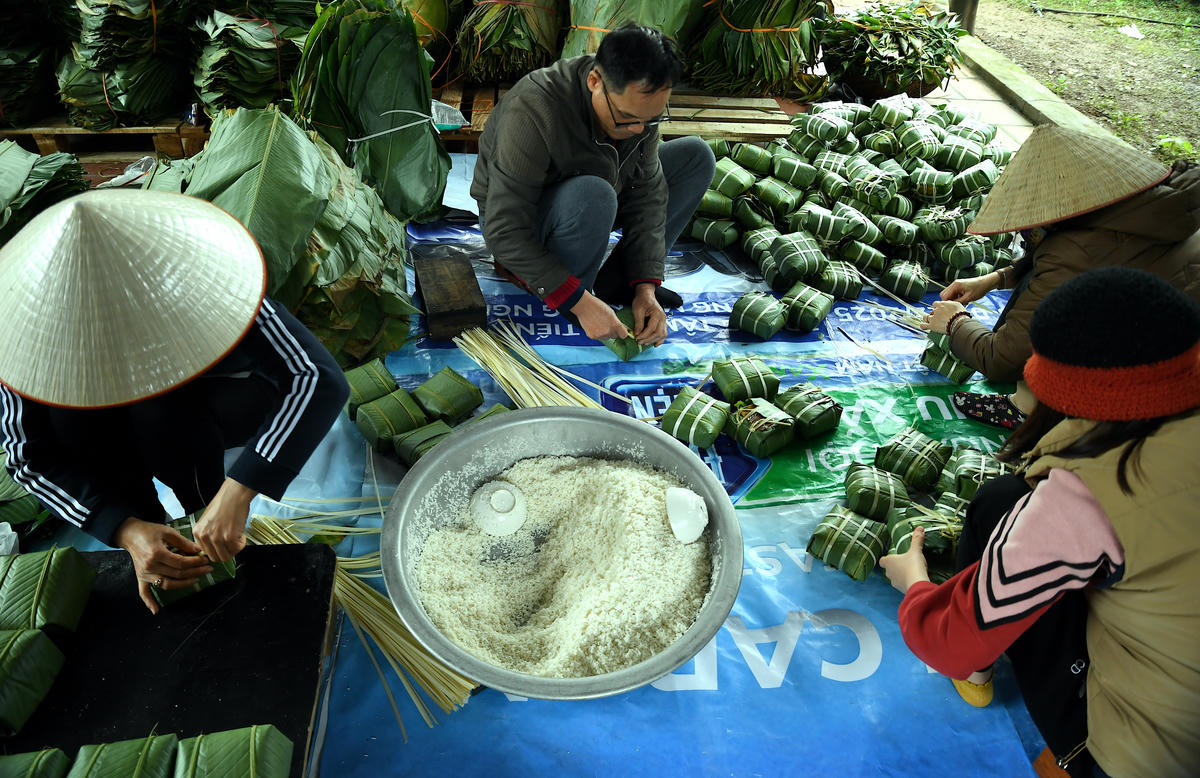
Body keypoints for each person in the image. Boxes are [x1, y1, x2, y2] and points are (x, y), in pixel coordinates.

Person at [884, 267, 1200, 777]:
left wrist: (915, 583)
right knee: (1003, 498)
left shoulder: (1089, 491)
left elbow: (947, 640)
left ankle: (1068, 750)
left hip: (1159, 753)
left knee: (1000, 517)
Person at [0, 190, 349, 614]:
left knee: (161, 412)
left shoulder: (204, 272)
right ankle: (153, 534)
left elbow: (318, 377)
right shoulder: (22, 335)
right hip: (114, 440)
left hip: (218, 396)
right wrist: (125, 529)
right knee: (69, 421)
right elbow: (28, 459)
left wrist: (237, 491)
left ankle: (202, 509)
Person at [921, 125, 1200, 429]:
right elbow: (1102, 257)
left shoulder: (1073, 250)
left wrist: (955, 322)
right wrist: (996, 279)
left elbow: (1002, 360)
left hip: (1161, 368)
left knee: (1051, 329)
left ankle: (1027, 409)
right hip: (1179, 328)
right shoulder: (1152, 202)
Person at [470, 24, 716, 348]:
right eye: (628, 117)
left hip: (596, 198)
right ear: (594, 82)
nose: (640, 128)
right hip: (529, 225)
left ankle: (620, 283)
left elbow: (648, 194)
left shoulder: (635, 107)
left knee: (696, 156)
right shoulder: (533, 109)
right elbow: (504, 228)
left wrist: (645, 287)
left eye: (652, 118)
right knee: (595, 195)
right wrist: (580, 303)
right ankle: (574, 294)